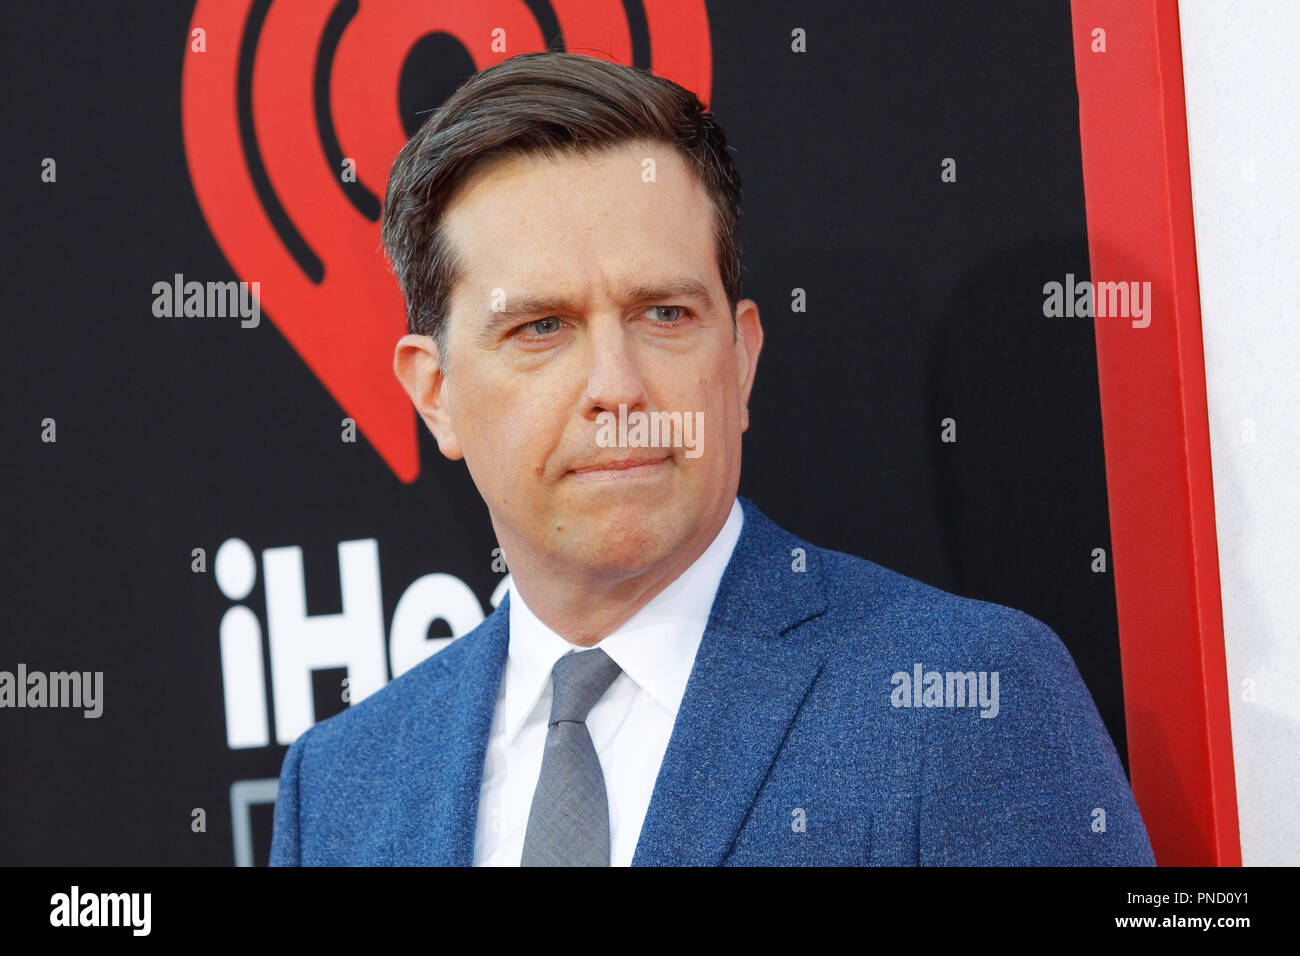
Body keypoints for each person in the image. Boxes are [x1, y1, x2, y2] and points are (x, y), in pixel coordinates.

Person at [269, 51, 1154, 866]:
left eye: (664, 314)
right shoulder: (341, 788)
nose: (616, 387)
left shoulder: (969, 698)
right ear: (435, 393)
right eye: (542, 327)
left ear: (740, 360)